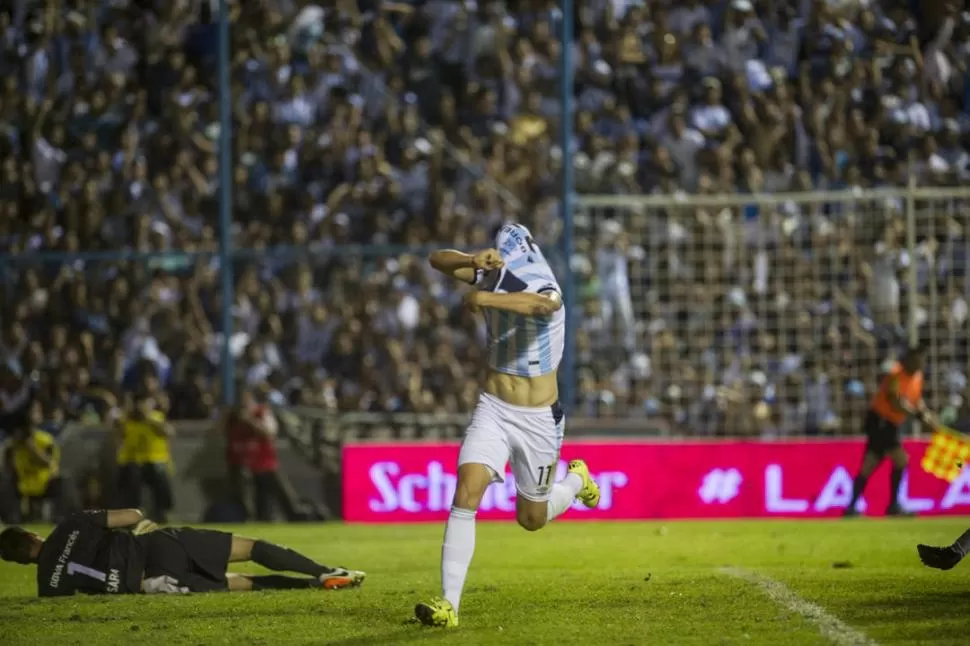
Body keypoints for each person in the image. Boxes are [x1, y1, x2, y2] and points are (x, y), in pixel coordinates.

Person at [414, 223, 601, 628]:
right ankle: (449, 606)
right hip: (494, 408)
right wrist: (469, 261)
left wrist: (485, 297)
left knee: (531, 519)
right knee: (467, 488)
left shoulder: (542, 282)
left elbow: (543, 307)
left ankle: (575, 480)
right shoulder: (492, 271)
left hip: (538, 419)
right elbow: (435, 259)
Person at [0, 508, 366, 596]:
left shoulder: (47, 585)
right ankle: (323, 571)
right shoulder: (71, 524)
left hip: (150, 582)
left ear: (19, 562)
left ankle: (312, 587)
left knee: (242, 582)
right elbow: (133, 515)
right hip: (156, 545)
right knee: (250, 548)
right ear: (32, 535)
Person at [844, 345, 936, 517]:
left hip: (891, 424)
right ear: (909, 359)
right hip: (880, 421)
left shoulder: (917, 377)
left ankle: (852, 507)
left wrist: (927, 416)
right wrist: (918, 416)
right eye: (918, 359)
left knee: (869, 465)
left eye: (923, 359)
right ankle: (892, 506)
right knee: (901, 459)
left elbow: (917, 400)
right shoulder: (896, 374)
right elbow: (895, 401)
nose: (921, 363)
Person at [3, 400, 64, 522]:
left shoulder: (45, 440)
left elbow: (47, 463)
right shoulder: (12, 446)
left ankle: (58, 518)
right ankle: (10, 518)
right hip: (22, 485)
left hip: (45, 483)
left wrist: (30, 447)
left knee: (62, 481)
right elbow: (7, 468)